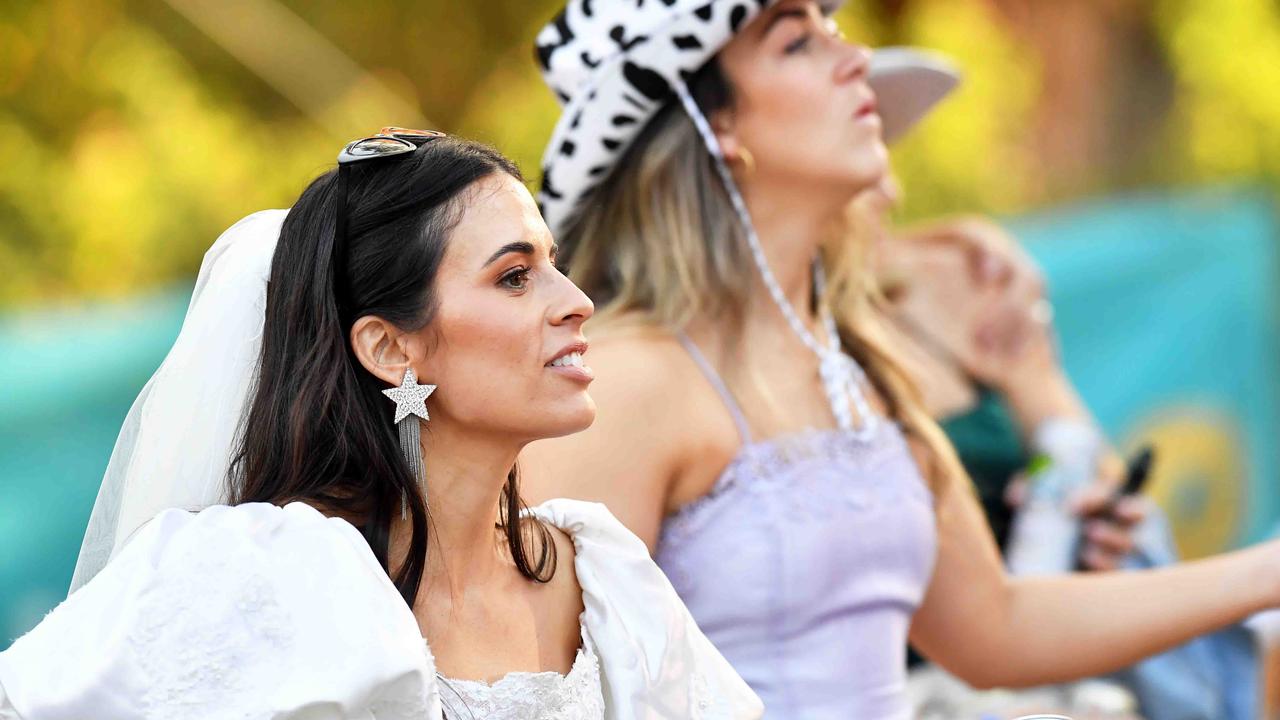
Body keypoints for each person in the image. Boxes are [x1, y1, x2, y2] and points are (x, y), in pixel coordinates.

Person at [521, 2, 1280, 717]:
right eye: (798, 41)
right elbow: (540, 686)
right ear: (716, 124)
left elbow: (998, 627)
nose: (855, 57)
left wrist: (1262, 573)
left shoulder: (861, 371)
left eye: (834, 26)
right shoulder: (625, 380)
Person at [0, 130, 761, 719]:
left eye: (552, 263)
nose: (574, 300)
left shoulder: (605, 579)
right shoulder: (263, 574)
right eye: (515, 276)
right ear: (391, 349)